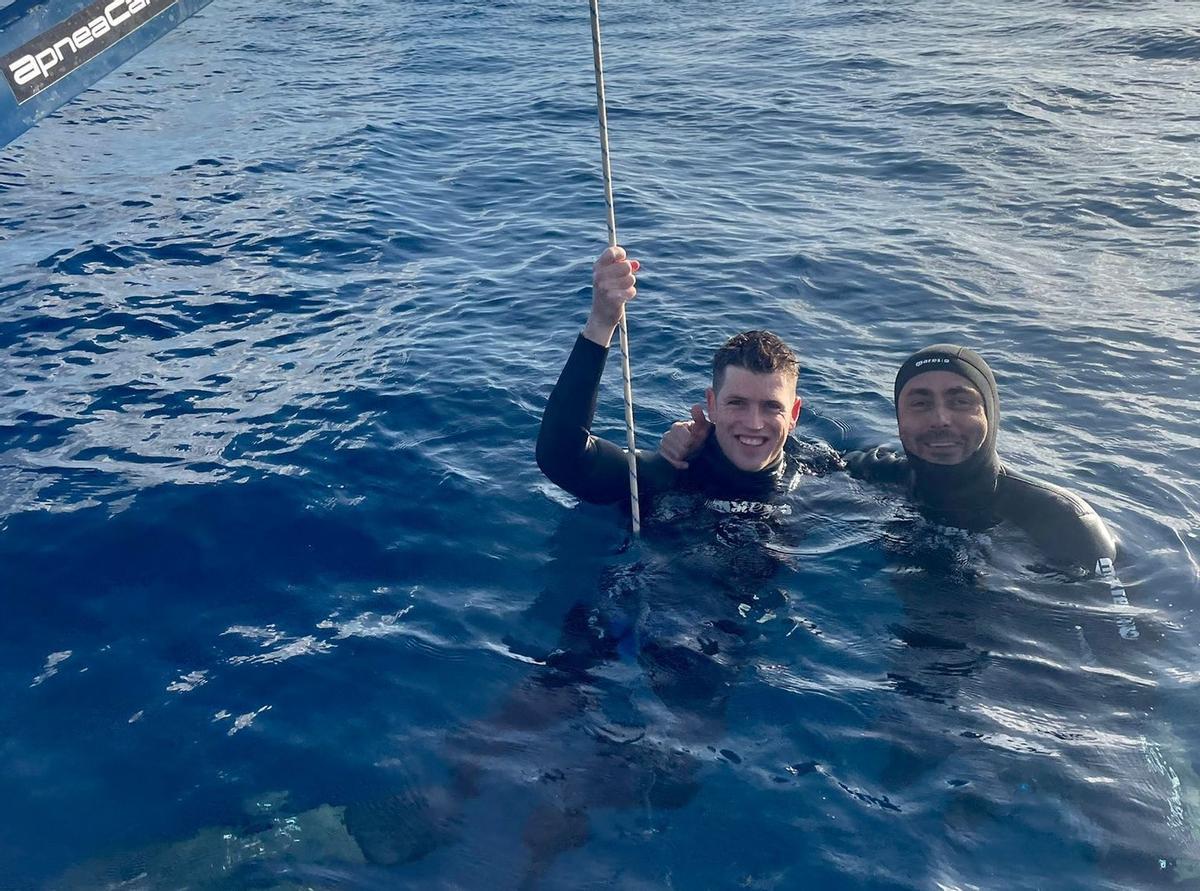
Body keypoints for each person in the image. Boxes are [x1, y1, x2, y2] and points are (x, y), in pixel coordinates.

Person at [660, 342, 1120, 577]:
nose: (940, 420)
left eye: (960, 401)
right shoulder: (875, 473)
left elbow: (1122, 633)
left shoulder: (1063, 520)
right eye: (920, 403)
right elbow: (784, 462)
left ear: (991, 413)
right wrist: (699, 445)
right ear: (899, 419)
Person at [537, 245, 838, 514]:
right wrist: (602, 322)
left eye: (772, 406)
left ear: (794, 413)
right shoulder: (675, 472)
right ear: (712, 405)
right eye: (737, 403)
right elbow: (562, 457)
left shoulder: (817, 473)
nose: (754, 423)